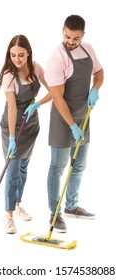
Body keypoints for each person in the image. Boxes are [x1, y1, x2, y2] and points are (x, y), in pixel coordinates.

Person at [44, 15, 104, 233]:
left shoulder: (87, 48)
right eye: (67, 36)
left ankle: (71, 206)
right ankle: (55, 214)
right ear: (62, 31)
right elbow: (58, 98)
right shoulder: (57, 58)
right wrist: (72, 126)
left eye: (75, 38)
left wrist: (95, 88)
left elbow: (99, 72)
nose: (71, 41)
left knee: (78, 165)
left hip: (83, 116)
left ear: (83, 35)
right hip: (63, 120)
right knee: (58, 168)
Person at [0, 34, 51, 234]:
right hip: (12, 126)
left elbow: (54, 90)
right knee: (12, 170)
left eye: (21, 55)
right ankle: (9, 215)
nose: (17, 59)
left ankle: (18, 204)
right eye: (13, 55)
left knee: (23, 168)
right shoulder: (9, 75)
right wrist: (11, 137)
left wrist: (38, 103)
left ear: (28, 52)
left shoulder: (36, 68)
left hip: (30, 126)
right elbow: (12, 107)